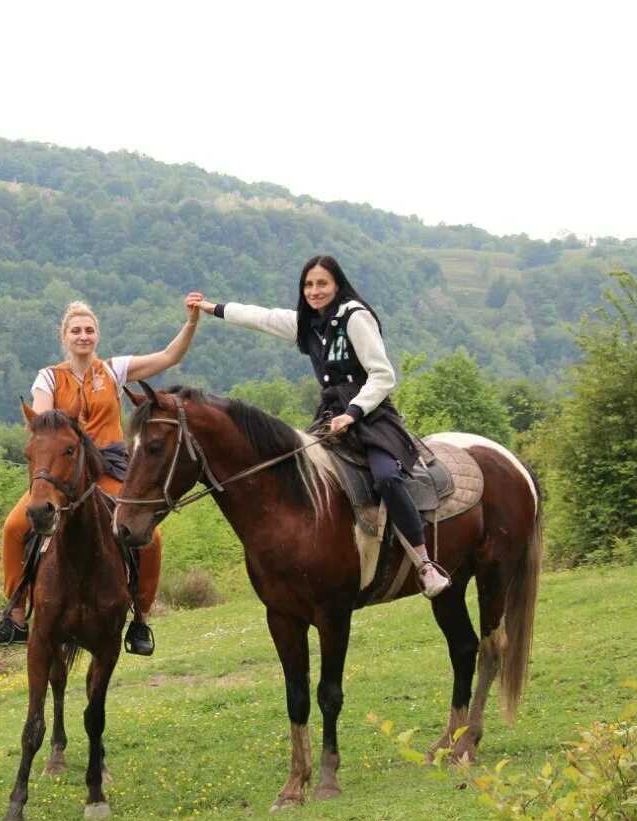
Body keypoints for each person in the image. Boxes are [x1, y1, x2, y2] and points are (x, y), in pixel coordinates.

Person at [186, 254, 451, 598]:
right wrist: (212, 308)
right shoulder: (308, 323)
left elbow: (383, 375)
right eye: (308, 284)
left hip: (372, 418)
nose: (314, 290)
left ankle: (424, 563)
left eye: (322, 283)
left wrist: (353, 413)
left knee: (386, 476)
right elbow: (263, 317)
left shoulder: (356, 317)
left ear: (337, 284)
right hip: (329, 419)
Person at [0, 298, 201, 653]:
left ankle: (140, 619)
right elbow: (42, 424)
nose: (83, 337)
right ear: (63, 337)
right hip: (65, 471)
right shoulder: (49, 378)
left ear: (97, 335)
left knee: (152, 537)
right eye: (75, 331)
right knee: (12, 528)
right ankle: (15, 617)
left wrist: (191, 322)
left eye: (89, 330)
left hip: (109, 468)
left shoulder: (113, 370)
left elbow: (168, 357)